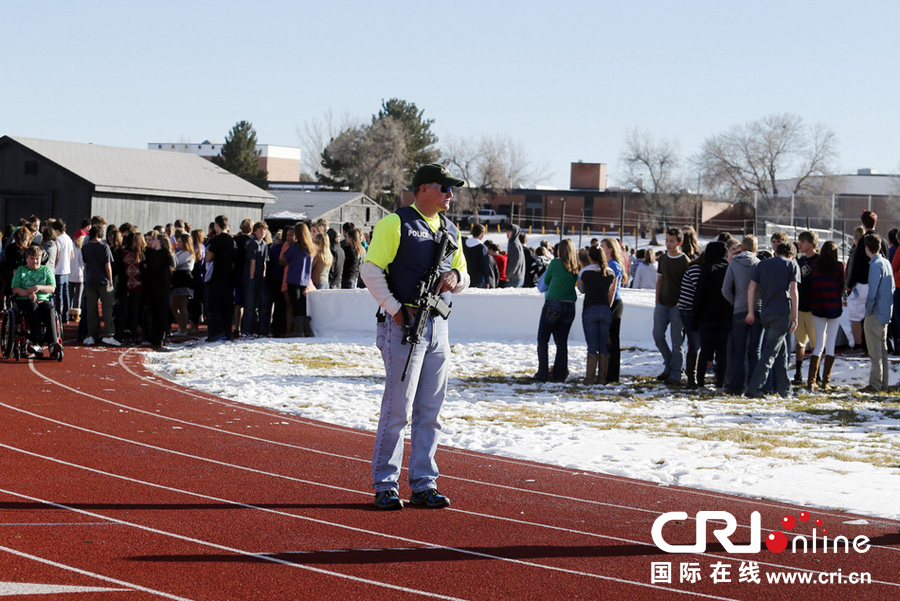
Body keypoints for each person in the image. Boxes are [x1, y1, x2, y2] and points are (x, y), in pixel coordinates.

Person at [360, 163, 469, 511]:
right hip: (405, 325)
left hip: (439, 326)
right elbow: (370, 269)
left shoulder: (451, 229)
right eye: (444, 188)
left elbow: (463, 273)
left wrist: (454, 277)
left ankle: (424, 483)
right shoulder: (396, 223)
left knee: (430, 411)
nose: (450, 194)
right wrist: (394, 308)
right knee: (398, 410)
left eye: (452, 189)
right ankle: (386, 484)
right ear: (424, 189)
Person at [744, 243, 800, 398]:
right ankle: (754, 389)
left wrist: (751, 310)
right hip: (782, 312)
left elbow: (751, 287)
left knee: (781, 354)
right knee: (769, 353)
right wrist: (795, 315)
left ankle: (785, 390)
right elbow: (793, 291)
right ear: (791, 254)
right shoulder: (792, 265)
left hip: (766, 312)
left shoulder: (763, 264)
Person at [534, 239, 580, 382]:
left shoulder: (555, 263)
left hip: (553, 303)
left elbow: (543, 285)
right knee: (562, 342)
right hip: (570, 305)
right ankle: (560, 373)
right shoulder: (575, 266)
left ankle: (542, 372)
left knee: (543, 339)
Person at [721, 235, 762, 395]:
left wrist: (734, 302)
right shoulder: (760, 265)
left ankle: (736, 386)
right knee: (755, 351)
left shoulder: (734, 264)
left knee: (739, 351)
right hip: (757, 310)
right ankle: (754, 385)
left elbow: (725, 289)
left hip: (739, 309)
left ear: (741, 248)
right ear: (755, 249)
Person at [691, 241, 732, 390]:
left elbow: (699, 295)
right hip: (725, 317)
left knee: (705, 351)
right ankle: (720, 384)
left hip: (706, 317)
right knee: (722, 353)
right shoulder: (729, 269)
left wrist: (694, 320)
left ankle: (701, 383)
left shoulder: (706, 269)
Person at [846, 211, 888, 355]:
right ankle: (875, 345)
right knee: (873, 316)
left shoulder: (864, 241)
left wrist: (850, 284)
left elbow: (857, 266)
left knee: (855, 315)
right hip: (880, 284)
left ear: (863, 223)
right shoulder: (883, 240)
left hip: (863, 283)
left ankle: (859, 345)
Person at [653, 228, 690, 384]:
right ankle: (669, 364)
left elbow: (687, 284)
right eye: (667, 240)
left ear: (679, 242)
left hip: (677, 305)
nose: (668, 244)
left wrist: (680, 301)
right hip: (662, 303)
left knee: (677, 341)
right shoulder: (663, 259)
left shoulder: (684, 261)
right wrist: (657, 298)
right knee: (657, 335)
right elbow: (660, 280)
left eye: (672, 241)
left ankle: (676, 373)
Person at [10, 245, 60, 357]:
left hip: (43, 300)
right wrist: (29, 294)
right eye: (32, 258)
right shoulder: (21, 270)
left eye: (37, 258)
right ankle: (36, 343)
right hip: (25, 300)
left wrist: (39, 287)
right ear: (26, 259)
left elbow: (52, 288)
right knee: (32, 307)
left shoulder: (46, 270)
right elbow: (15, 289)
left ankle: (53, 343)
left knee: (50, 308)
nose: (35, 261)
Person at [578, 245, 617, 384]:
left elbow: (582, 289)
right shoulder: (611, 272)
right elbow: (611, 292)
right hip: (605, 308)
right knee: (603, 345)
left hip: (589, 308)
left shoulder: (584, 272)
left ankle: (589, 378)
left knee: (592, 345)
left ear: (590, 257)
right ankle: (602, 377)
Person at [809, 241, 845, 390]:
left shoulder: (815, 266)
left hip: (818, 307)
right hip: (834, 307)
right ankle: (826, 382)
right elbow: (841, 287)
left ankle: (811, 381)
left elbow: (811, 285)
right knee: (830, 344)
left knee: (818, 344)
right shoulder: (838, 267)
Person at [862, 233, 894, 392]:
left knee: (875, 352)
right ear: (880, 247)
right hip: (885, 312)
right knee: (882, 351)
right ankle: (883, 383)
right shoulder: (886, 262)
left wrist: (868, 311)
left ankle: (875, 384)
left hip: (875, 314)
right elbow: (892, 288)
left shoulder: (875, 265)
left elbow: (872, 292)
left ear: (867, 248)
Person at [81, 225, 119, 346]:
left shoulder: (85, 247)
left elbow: (86, 263)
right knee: (107, 308)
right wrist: (111, 280)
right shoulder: (104, 247)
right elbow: (108, 265)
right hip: (104, 281)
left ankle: (92, 334)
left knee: (91, 310)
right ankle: (108, 334)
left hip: (90, 281)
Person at [792, 231, 819, 384]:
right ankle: (798, 372)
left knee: (815, 343)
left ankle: (816, 374)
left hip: (813, 309)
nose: (800, 244)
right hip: (800, 308)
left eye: (802, 241)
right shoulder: (800, 260)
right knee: (800, 342)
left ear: (810, 243)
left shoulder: (818, 261)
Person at [205, 215, 236, 342]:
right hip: (229, 277)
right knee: (228, 306)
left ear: (217, 225)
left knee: (215, 306)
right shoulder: (232, 240)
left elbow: (208, 258)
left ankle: (216, 332)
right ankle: (228, 331)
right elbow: (234, 262)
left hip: (217, 276)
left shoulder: (216, 240)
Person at [281, 222, 315, 337]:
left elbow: (283, 260)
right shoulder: (310, 248)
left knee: (295, 305)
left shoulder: (294, 247)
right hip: (305, 280)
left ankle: (298, 331)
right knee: (302, 305)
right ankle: (306, 330)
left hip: (294, 278)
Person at [601, 238, 628, 382]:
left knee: (613, 340)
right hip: (608, 302)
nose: (601, 248)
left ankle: (613, 374)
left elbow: (611, 289)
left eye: (603, 246)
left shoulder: (614, 265)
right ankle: (606, 371)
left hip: (614, 303)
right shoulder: (607, 264)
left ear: (610, 249)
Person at [242, 222, 269, 337]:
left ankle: (253, 329)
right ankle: (246, 330)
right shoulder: (253, 243)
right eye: (260, 230)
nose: (262, 232)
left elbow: (264, 261)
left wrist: (263, 275)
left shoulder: (265, 244)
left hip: (259, 278)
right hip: (252, 278)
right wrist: (251, 277)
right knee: (249, 306)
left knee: (256, 305)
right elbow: (252, 261)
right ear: (255, 231)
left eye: (264, 230)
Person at [170, 233, 197, 337]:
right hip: (177, 279)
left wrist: (171, 252)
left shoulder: (188, 253)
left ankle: (183, 328)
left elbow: (175, 263)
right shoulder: (180, 252)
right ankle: (181, 326)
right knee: (172, 304)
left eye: (180, 242)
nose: (178, 244)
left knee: (182, 305)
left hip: (184, 279)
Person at [51, 219, 74, 324]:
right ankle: (66, 315)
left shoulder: (59, 239)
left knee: (59, 294)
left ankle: (59, 315)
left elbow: (57, 254)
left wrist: (54, 264)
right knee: (66, 293)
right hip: (66, 269)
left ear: (56, 229)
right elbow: (72, 255)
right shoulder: (69, 238)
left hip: (59, 270)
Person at [463, 223, 493, 288]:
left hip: (465, 276)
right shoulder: (482, 248)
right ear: (481, 234)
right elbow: (485, 265)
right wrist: (487, 281)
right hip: (478, 279)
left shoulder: (464, 244)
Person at [505, 223, 525, 287]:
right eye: (507, 231)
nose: (507, 233)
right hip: (518, 276)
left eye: (510, 231)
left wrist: (507, 275)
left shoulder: (514, 244)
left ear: (514, 232)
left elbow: (514, 263)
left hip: (514, 277)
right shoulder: (516, 243)